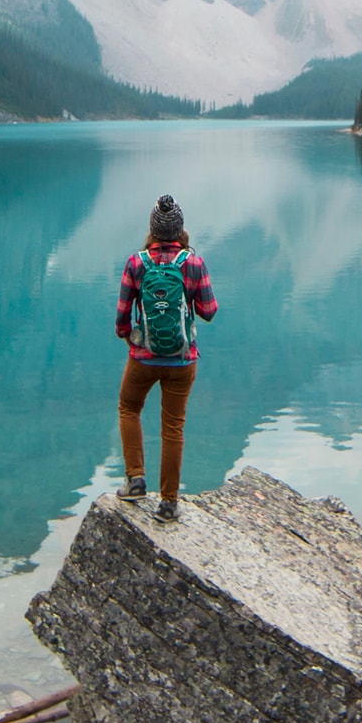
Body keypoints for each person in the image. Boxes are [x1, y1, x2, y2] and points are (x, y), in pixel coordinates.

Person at [114, 193, 217, 522]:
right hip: (183, 360)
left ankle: (135, 480)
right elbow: (209, 312)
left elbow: (121, 319)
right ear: (180, 230)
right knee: (173, 427)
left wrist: (130, 334)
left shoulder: (136, 263)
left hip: (143, 358)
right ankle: (169, 503)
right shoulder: (193, 264)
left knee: (129, 408)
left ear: (153, 230)